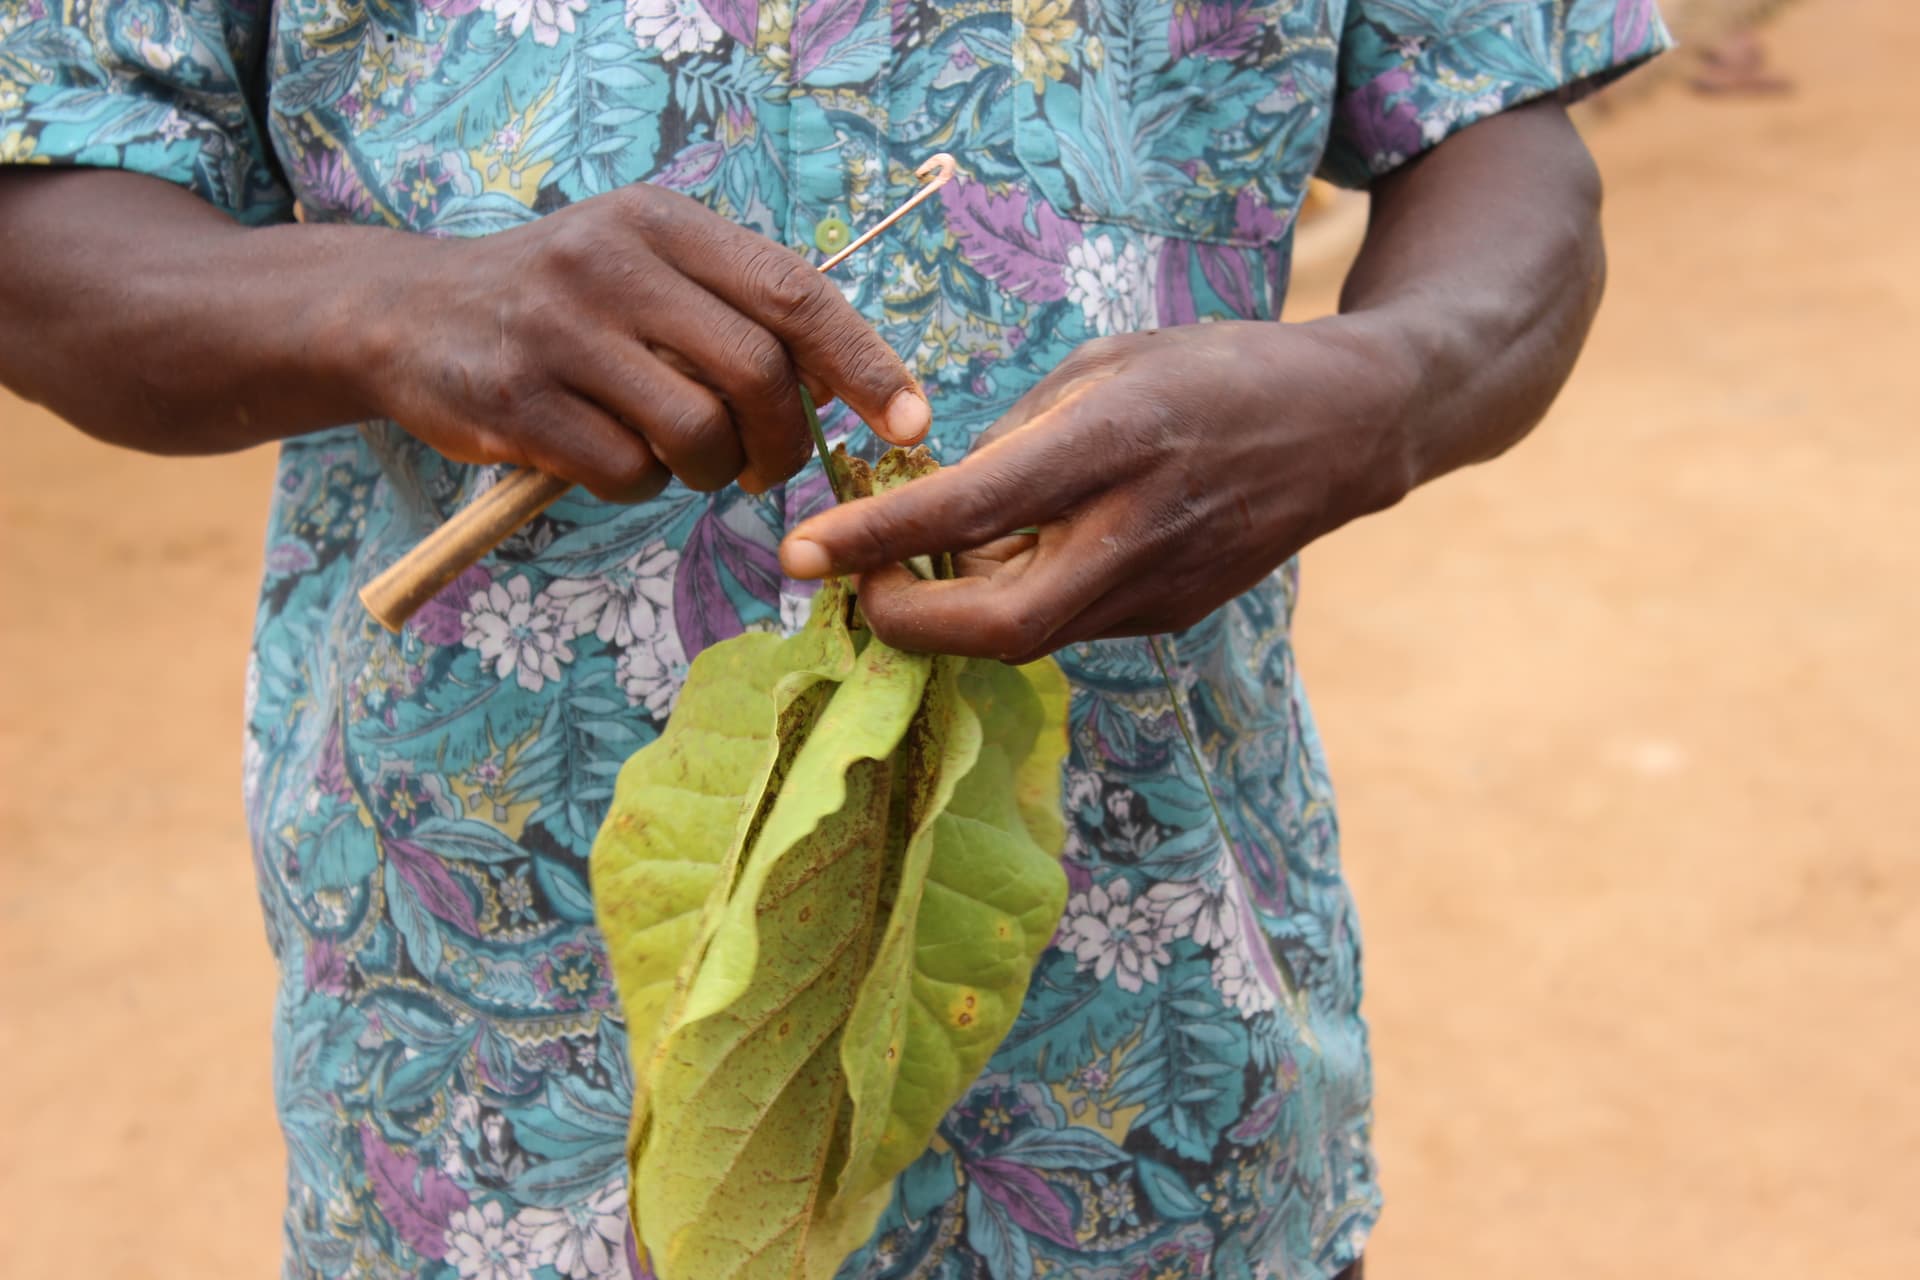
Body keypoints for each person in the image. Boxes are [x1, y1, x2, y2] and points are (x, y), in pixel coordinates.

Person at [0, 2, 1668, 1276]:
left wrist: (1380, 394)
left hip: (1146, 1074)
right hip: (488, 1090)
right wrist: (386, 303)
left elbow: (1508, 149)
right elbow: (43, 219)